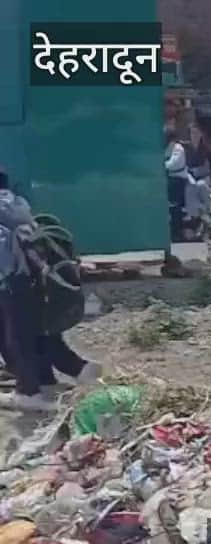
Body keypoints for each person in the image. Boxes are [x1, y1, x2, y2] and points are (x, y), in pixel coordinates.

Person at [0, 171, 98, 410]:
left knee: (17, 337)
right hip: (32, 275)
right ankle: (64, 373)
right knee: (36, 330)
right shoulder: (16, 203)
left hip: (12, 279)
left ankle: (29, 392)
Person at [164, 129, 189, 240]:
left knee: (175, 206)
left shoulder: (178, 149)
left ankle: (177, 232)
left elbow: (173, 164)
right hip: (168, 178)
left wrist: (160, 165)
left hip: (177, 179)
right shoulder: (166, 148)